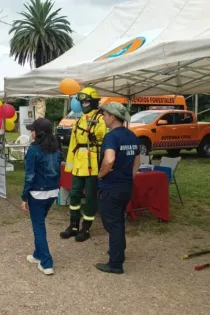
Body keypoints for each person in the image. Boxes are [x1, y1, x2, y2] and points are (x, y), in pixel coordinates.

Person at [95, 102, 140, 274]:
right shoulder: (131, 135)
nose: (103, 118)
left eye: (105, 115)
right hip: (126, 186)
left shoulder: (111, 137)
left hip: (111, 187)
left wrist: (100, 175)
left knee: (112, 224)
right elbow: (137, 161)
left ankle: (115, 263)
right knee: (118, 220)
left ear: (112, 117)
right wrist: (129, 177)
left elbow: (109, 159)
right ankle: (118, 251)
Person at [61, 87, 108, 242]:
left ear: (94, 102)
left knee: (89, 197)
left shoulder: (101, 119)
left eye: (87, 101)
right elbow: (74, 143)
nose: (84, 104)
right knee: (74, 194)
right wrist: (70, 165)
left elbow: (103, 138)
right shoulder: (79, 119)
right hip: (79, 164)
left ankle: (86, 228)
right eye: (82, 101)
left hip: (93, 163)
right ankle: (73, 225)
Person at [20, 118, 62, 276]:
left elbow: (29, 176)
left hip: (37, 194)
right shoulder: (57, 149)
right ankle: (38, 254)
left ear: (38, 133)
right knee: (39, 223)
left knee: (38, 227)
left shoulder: (33, 150)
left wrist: (24, 197)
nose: (31, 132)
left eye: (32, 130)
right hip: (52, 192)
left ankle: (46, 262)